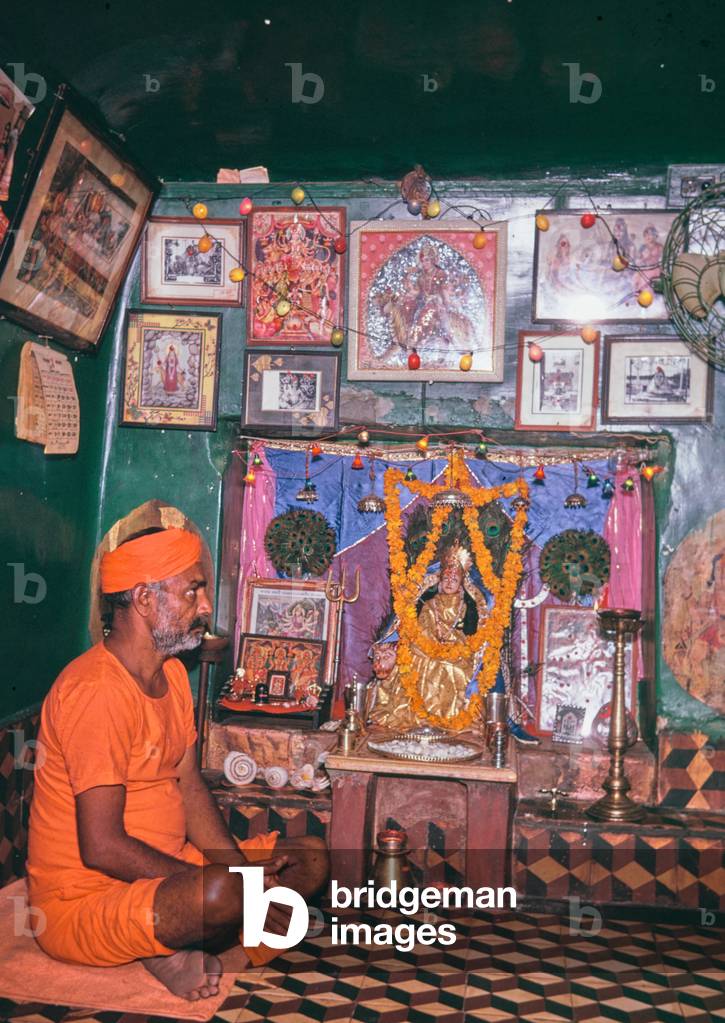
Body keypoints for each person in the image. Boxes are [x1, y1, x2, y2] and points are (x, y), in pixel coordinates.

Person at [27, 526, 328, 1001]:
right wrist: (230, 888)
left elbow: (189, 787)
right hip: (88, 898)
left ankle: (193, 949)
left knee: (309, 857)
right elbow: (101, 848)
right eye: (193, 589)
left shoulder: (171, 674)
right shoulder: (97, 692)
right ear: (145, 599)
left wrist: (245, 876)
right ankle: (177, 945)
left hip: (167, 872)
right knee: (219, 895)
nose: (206, 606)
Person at [371, 543, 488, 731]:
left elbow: (467, 633)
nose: (449, 582)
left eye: (454, 579)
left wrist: (450, 645)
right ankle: (422, 716)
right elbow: (423, 629)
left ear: (462, 583)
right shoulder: (430, 604)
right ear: (440, 580)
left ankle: (451, 719)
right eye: (446, 578)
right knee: (421, 662)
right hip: (427, 646)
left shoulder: (466, 606)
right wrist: (434, 642)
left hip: (455, 648)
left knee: (456, 670)